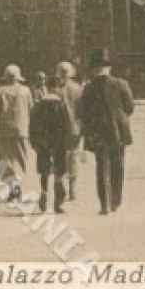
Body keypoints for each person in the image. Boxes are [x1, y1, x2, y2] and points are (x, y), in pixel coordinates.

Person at [79, 48, 135, 214]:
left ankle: (104, 204)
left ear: (94, 69)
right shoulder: (121, 84)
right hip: (118, 132)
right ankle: (116, 200)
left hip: (98, 132)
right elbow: (130, 107)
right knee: (118, 165)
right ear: (109, 68)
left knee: (102, 167)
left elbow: (82, 111)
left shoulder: (89, 88)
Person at [0, 64, 34, 203]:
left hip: (4, 129)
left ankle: (12, 187)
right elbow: (31, 108)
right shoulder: (26, 91)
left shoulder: (0, 91)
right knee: (21, 158)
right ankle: (18, 185)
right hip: (22, 129)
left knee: (6, 160)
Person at [29, 75, 71, 214]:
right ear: (58, 88)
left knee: (44, 171)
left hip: (43, 141)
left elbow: (32, 124)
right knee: (59, 171)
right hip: (59, 141)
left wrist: (34, 142)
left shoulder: (39, 105)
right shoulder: (61, 104)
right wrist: (67, 142)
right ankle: (58, 202)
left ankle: (44, 193)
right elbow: (67, 125)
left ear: (47, 87)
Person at [55, 61, 84, 203]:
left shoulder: (57, 90)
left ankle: (62, 189)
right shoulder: (79, 89)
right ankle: (73, 190)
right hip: (75, 128)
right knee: (73, 157)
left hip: (59, 129)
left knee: (60, 158)